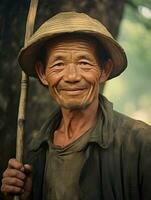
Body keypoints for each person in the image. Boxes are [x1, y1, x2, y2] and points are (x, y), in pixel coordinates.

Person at [1, 11, 151, 200]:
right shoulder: (34, 152)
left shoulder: (140, 142)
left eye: (84, 62)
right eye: (58, 65)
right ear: (42, 73)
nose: (72, 76)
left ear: (104, 71)